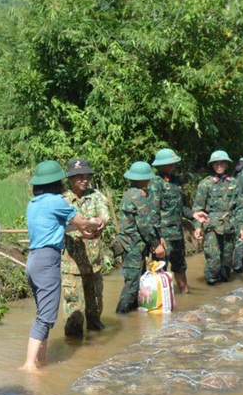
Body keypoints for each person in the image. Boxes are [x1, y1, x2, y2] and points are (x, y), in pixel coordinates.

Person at [21, 160, 105, 370]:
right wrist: (94, 222)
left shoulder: (34, 203)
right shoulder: (57, 201)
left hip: (33, 260)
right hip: (48, 261)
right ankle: (29, 365)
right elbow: (83, 223)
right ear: (58, 182)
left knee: (43, 314)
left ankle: (41, 360)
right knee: (47, 316)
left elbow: (56, 228)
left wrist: (76, 229)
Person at [61, 158, 111, 336]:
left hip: (93, 262)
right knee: (74, 312)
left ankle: (96, 349)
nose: (84, 180)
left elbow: (105, 216)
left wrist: (99, 223)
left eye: (86, 176)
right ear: (70, 179)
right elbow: (57, 227)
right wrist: (80, 231)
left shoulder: (95, 196)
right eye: (79, 177)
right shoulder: (62, 200)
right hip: (71, 265)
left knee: (95, 310)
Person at [149, 148, 207, 293]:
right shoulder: (155, 183)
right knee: (160, 268)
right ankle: (161, 302)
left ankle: (185, 294)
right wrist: (158, 239)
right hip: (163, 236)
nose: (172, 165)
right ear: (160, 165)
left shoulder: (175, 182)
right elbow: (153, 212)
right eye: (169, 163)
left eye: (173, 163)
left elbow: (180, 208)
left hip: (177, 234)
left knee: (180, 266)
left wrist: (194, 215)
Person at [114, 161, 165, 313]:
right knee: (133, 284)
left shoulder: (130, 193)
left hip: (133, 245)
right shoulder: (137, 196)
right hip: (133, 246)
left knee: (136, 281)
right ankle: (121, 314)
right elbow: (144, 225)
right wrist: (156, 244)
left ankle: (132, 316)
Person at [192, 150, 243, 285]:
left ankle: (224, 292)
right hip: (212, 226)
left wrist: (241, 227)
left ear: (227, 164)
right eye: (216, 163)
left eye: (222, 163)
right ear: (212, 165)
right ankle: (211, 288)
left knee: (227, 262)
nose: (219, 165)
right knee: (213, 259)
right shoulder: (206, 184)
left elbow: (240, 207)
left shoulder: (234, 183)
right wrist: (198, 227)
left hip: (230, 226)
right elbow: (198, 208)